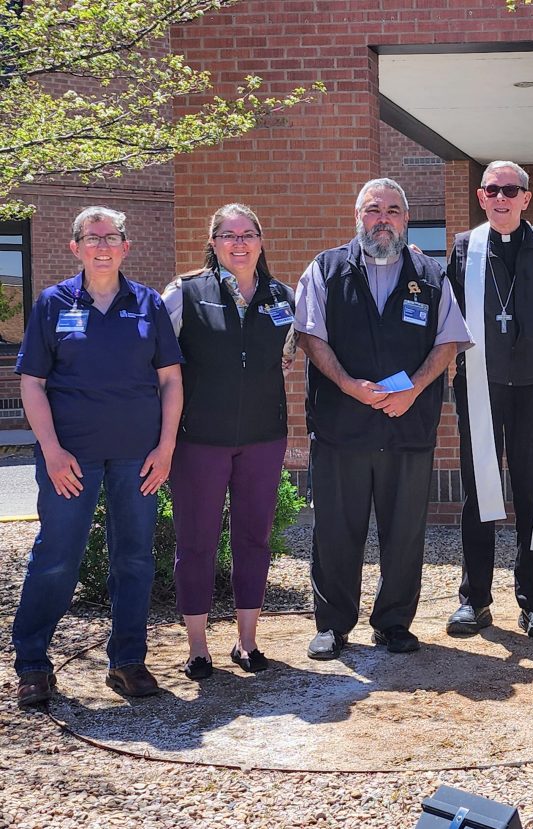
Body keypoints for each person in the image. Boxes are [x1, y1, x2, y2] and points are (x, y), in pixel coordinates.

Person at [12, 206, 183, 706]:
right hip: (71, 460)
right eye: (92, 238)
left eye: (112, 237)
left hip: (139, 459)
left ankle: (128, 661)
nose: (102, 246)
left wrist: (167, 445)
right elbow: (32, 383)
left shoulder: (147, 304)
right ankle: (33, 665)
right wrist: (51, 451)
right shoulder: (52, 303)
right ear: (76, 247)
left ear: (126, 246)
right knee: (56, 558)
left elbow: (171, 379)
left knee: (133, 559)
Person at [296, 178, 470, 657]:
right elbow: (311, 337)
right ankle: (333, 625)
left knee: (405, 531)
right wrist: (349, 385)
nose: (384, 219)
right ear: (358, 216)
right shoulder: (326, 269)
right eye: (374, 209)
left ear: (406, 219)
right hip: (340, 428)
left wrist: (415, 388)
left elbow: (449, 340)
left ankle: (394, 623)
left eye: (393, 210)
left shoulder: (431, 275)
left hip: (407, 426)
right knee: (335, 529)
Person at [162, 204, 295, 679]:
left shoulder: (283, 296)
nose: (239, 243)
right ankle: (197, 648)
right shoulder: (185, 292)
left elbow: (285, 358)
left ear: (261, 241)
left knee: (253, 539)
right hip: (200, 439)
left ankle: (248, 641)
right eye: (228, 235)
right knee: (195, 541)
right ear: (213, 242)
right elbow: (161, 364)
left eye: (248, 234)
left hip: (263, 436)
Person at [445, 160, 533, 639]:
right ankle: (474, 600)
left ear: (526, 197)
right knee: (479, 489)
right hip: (480, 386)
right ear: (481, 197)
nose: (501, 198)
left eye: (510, 190)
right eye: (492, 190)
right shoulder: (466, 247)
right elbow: (449, 320)